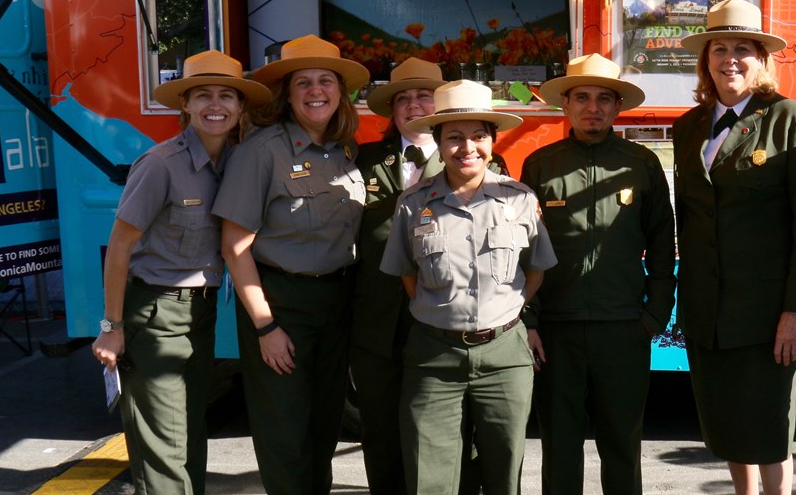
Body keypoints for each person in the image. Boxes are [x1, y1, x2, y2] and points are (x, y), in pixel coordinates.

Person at [672, 0, 796, 495]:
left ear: (763, 59)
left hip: (766, 314)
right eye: (719, 48)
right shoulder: (689, 127)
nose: (730, 58)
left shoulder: (795, 120)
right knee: (725, 427)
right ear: (706, 60)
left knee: (767, 429)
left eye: (744, 48)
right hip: (708, 310)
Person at [91, 50, 269, 495]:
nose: (216, 105)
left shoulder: (235, 161)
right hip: (155, 315)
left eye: (227, 95)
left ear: (241, 107)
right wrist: (111, 328)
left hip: (201, 315)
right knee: (164, 448)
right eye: (203, 95)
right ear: (184, 105)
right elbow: (119, 248)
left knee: (190, 436)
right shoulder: (160, 165)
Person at [381, 79, 557, 495]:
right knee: (430, 477)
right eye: (454, 137)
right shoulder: (412, 203)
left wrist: (507, 311)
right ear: (438, 143)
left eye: (479, 136)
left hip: (505, 356)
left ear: (492, 142)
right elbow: (409, 277)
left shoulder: (519, 200)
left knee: (504, 471)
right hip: (433, 356)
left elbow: (536, 270)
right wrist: (446, 313)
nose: (467, 148)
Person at [212, 34, 370, 494]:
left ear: (340, 92)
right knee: (285, 433)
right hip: (282, 304)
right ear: (287, 93)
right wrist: (265, 327)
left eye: (326, 81)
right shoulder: (261, 152)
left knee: (324, 427)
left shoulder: (344, 150)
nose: (315, 91)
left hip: (336, 301)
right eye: (303, 83)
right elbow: (234, 248)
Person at [520, 53, 675, 495]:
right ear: (565, 105)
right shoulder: (540, 165)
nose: (594, 107)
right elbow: (522, 250)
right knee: (559, 445)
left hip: (623, 329)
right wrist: (530, 320)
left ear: (617, 106)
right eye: (582, 98)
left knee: (622, 445)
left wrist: (653, 317)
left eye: (604, 99)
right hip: (556, 331)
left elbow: (663, 242)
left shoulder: (641, 163)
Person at [351, 58, 506, 494]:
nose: (414, 105)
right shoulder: (360, 161)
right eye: (404, 98)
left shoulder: (481, 162)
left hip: (449, 322)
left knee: (456, 432)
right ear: (392, 109)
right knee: (381, 432)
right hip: (379, 325)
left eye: (424, 96)